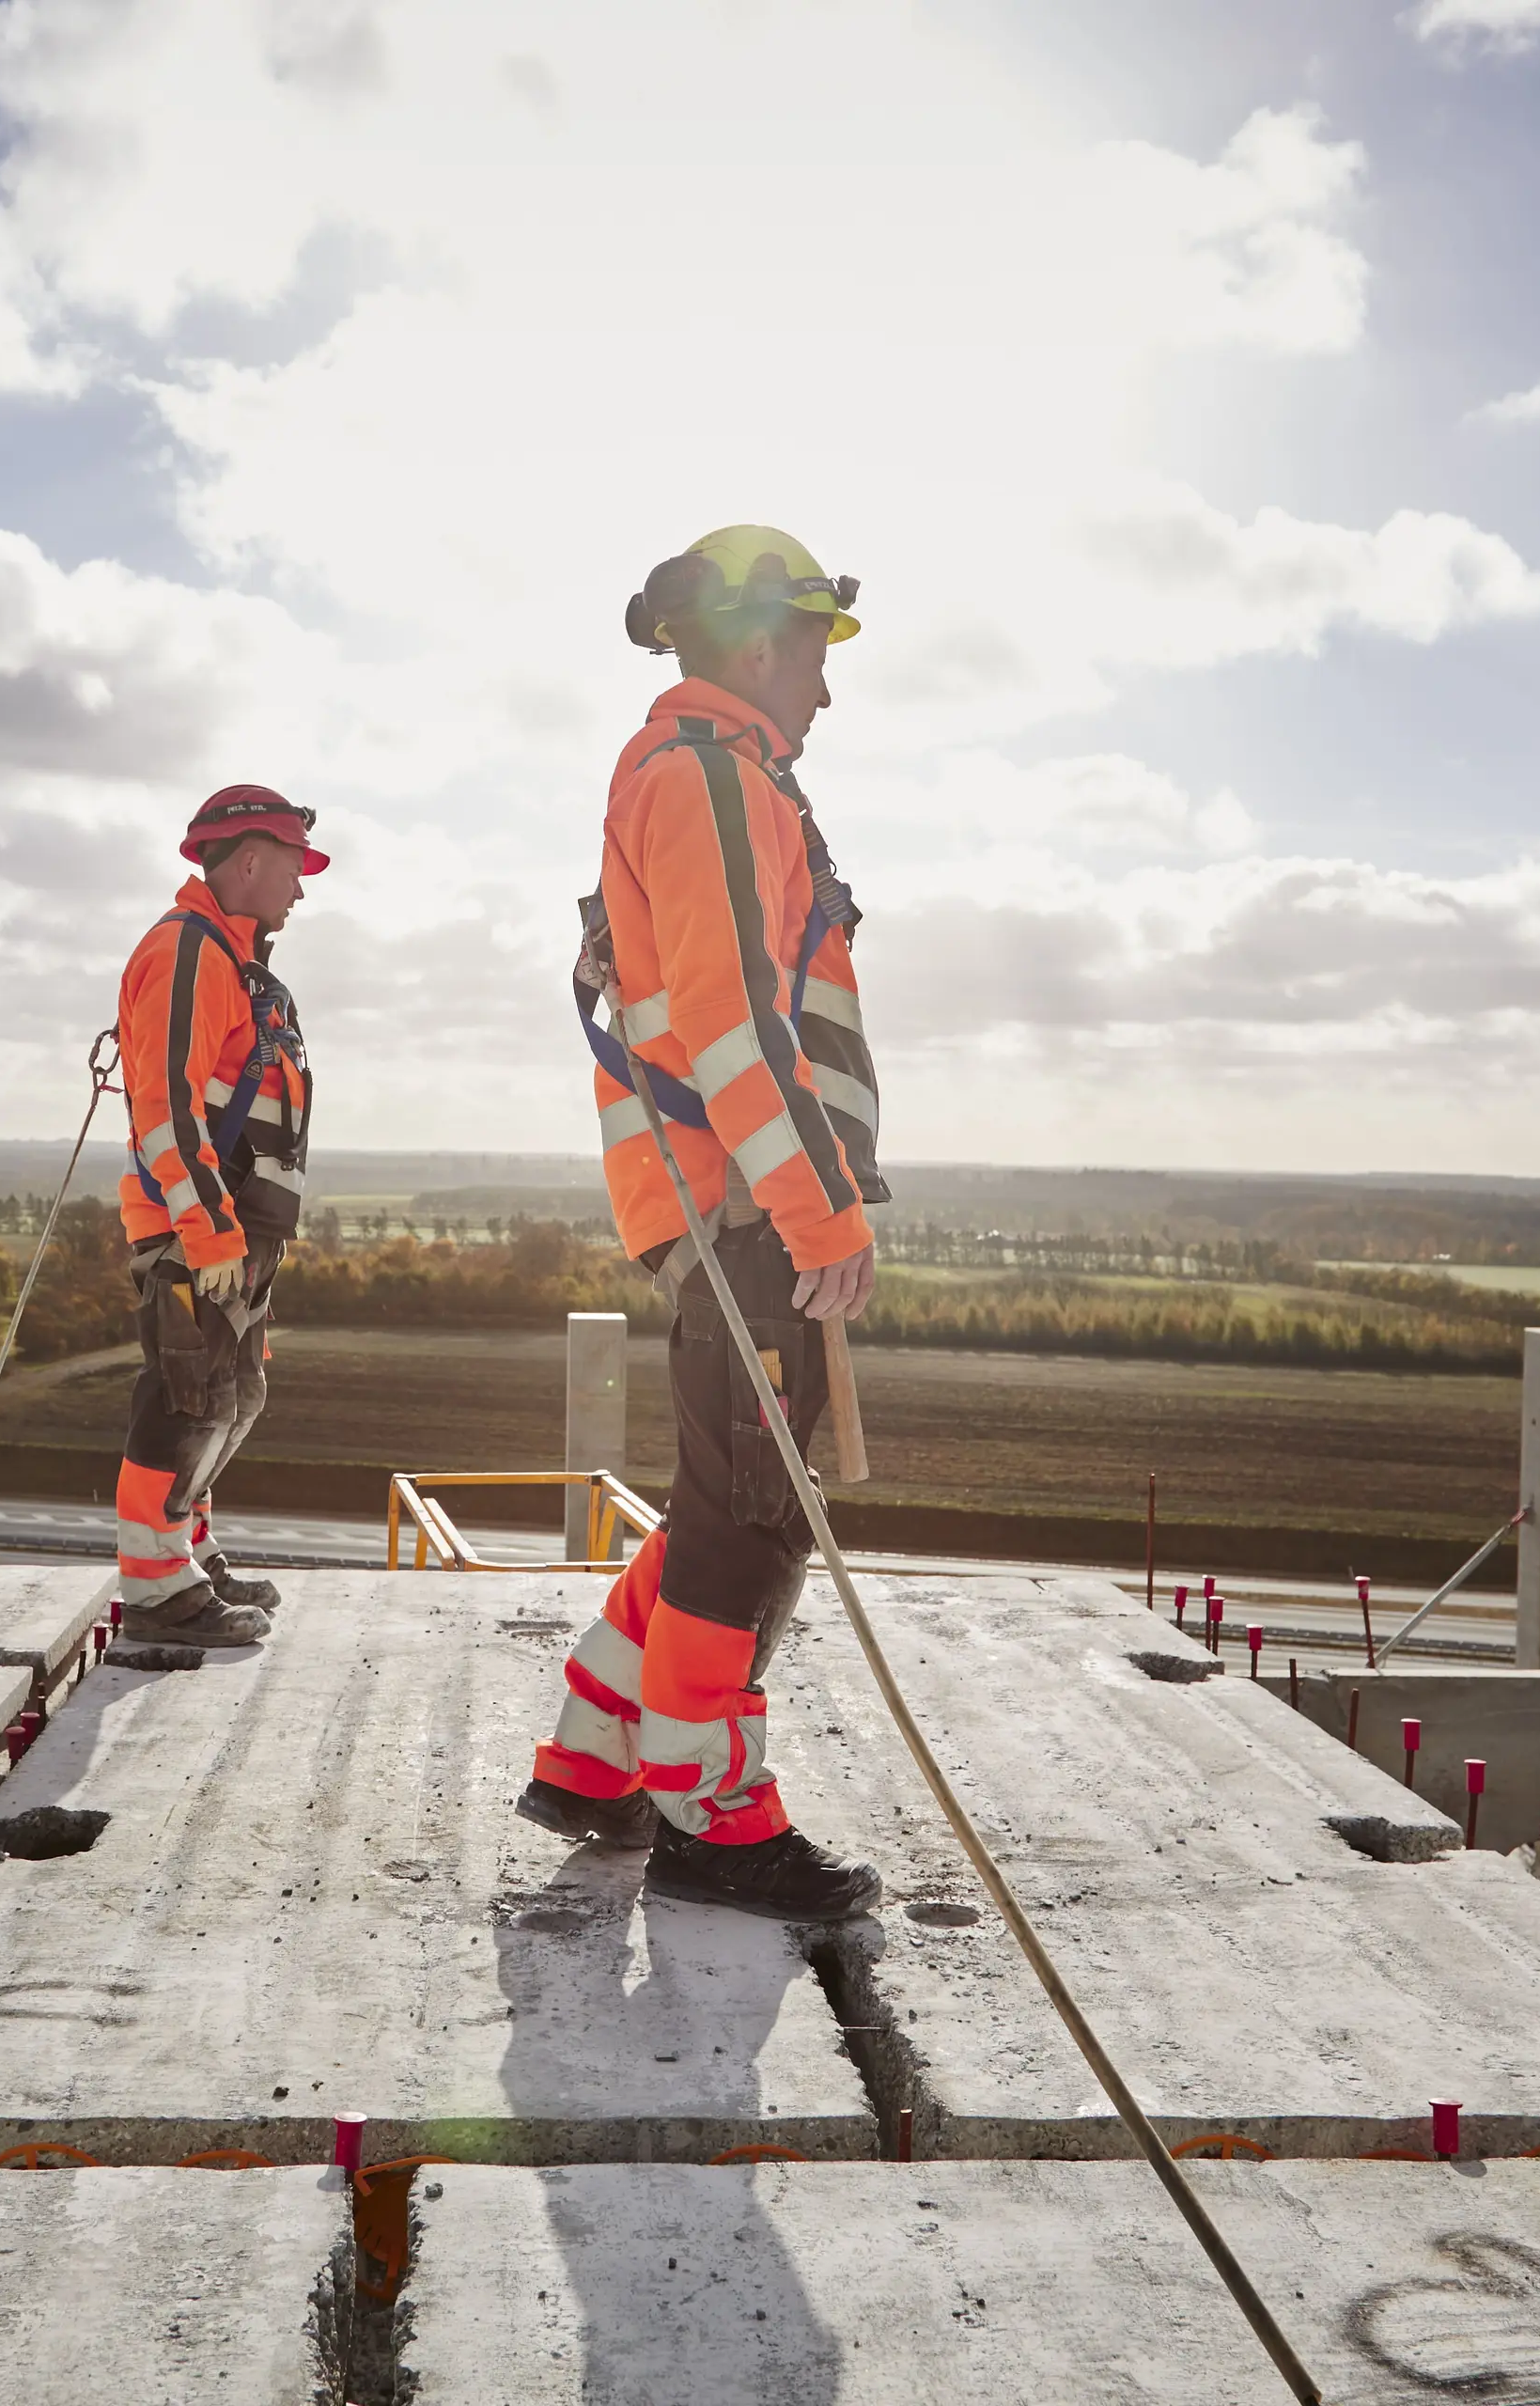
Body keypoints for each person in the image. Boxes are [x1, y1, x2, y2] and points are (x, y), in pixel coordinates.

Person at [515, 525, 890, 1922]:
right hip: (746, 1207)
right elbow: (737, 1026)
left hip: (727, 1203)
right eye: (812, 654)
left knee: (720, 1499)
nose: (826, 692)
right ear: (750, 645)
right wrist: (818, 1212)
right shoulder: (715, 782)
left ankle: (597, 1755)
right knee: (753, 1521)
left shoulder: (704, 780)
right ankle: (716, 1821)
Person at [108, 784, 323, 1648]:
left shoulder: (234, 961)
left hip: (238, 1230)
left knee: (234, 1397)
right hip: (203, 1231)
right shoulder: (189, 953)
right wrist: (205, 1230)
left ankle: (186, 1554)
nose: (300, 891)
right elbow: (165, 1106)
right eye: (294, 871)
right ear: (248, 862)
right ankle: (156, 1591)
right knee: (187, 1395)